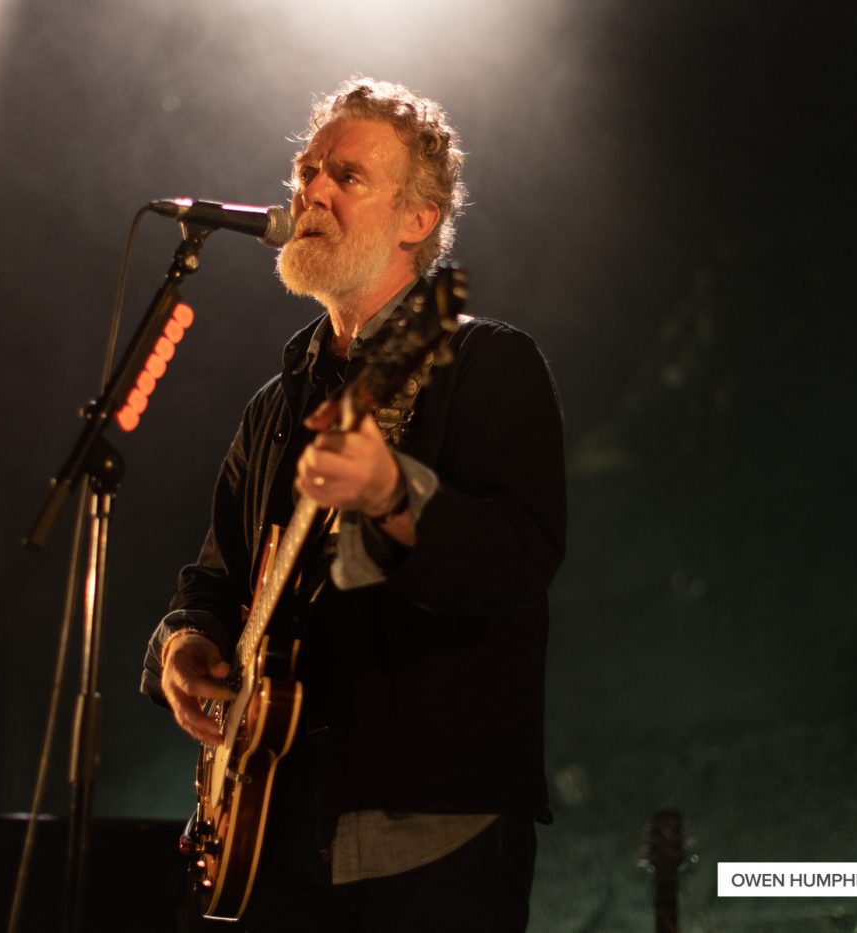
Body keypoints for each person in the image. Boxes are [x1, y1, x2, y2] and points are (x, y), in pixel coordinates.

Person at [140, 77, 566, 932]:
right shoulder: (274, 405)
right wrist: (181, 646)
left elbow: (519, 557)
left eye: (347, 176)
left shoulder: (481, 363)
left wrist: (390, 492)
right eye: (307, 170)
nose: (312, 192)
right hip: (273, 834)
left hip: (428, 838)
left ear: (418, 219)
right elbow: (213, 582)